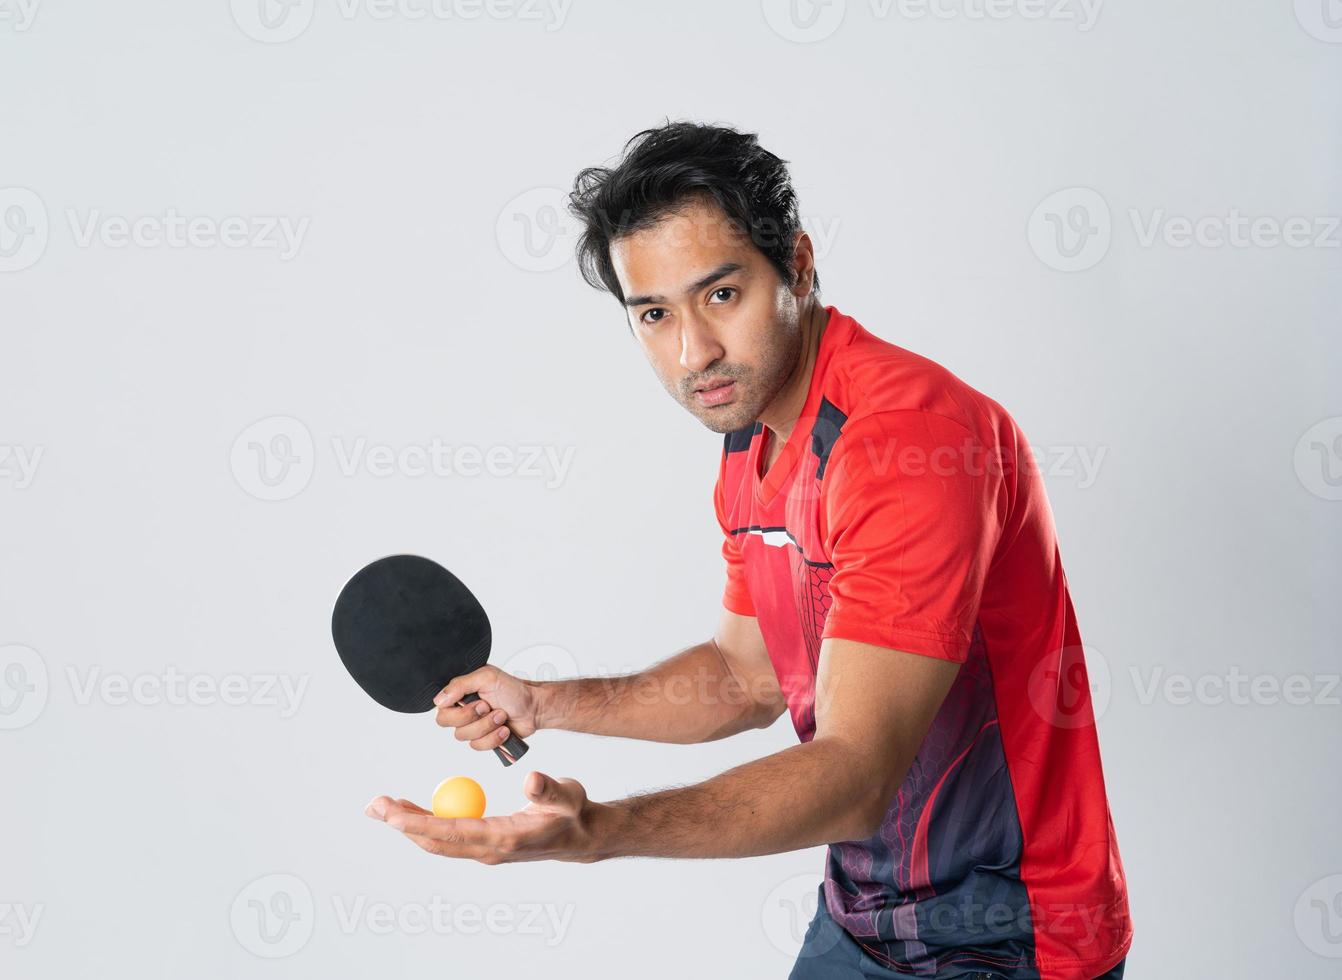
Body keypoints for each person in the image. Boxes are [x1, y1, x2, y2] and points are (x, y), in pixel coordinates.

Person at [364, 121, 1132, 980]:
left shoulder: (904, 444)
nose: (694, 352)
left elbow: (856, 775)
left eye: (721, 295)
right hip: (861, 917)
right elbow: (745, 679)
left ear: (797, 267)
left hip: (1009, 939)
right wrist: (544, 701)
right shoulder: (752, 438)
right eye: (654, 314)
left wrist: (600, 833)